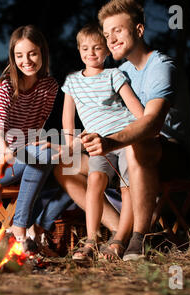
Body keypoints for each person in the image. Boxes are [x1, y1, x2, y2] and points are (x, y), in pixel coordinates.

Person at [54, 0, 190, 261]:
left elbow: (151, 124)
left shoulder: (161, 67)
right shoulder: (121, 71)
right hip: (123, 147)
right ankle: (117, 230)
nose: (110, 39)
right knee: (65, 166)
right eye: (106, 34)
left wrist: (109, 142)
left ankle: (137, 239)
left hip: (169, 151)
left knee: (134, 145)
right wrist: (72, 142)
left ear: (139, 30)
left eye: (118, 30)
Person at [0, 25, 60, 254]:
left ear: (42, 53)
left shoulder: (49, 87)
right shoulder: (4, 87)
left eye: (32, 53)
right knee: (42, 157)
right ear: (12, 58)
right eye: (19, 55)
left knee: (66, 164)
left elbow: (35, 131)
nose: (26, 60)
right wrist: (7, 152)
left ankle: (38, 228)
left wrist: (45, 146)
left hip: (19, 158)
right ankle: (19, 228)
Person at [59, 24, 144, 261]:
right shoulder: (72, 81)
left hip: (125, 138)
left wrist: (145, 129)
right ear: (79, 50)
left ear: (107, 51)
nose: (91, 53)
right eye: (85, 48)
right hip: (98, 144)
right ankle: (91, 239)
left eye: (97, 48)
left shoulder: (113, 75)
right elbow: (68, 118)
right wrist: (68, 145)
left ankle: (119, 241)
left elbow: (135, 107)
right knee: (95, 180)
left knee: (127, 186)